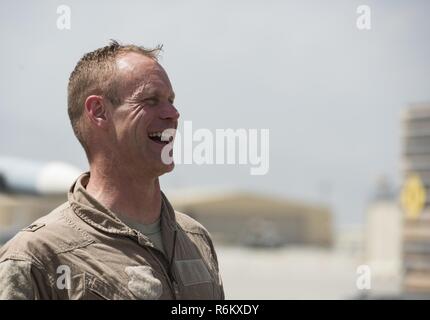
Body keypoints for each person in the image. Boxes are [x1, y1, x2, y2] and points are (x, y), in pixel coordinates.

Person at [0, 40, 224, 300]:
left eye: (170, 100)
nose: (173, 113)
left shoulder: (195, 239)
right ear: (98, 112)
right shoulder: (37, 258)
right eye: (150, 100)